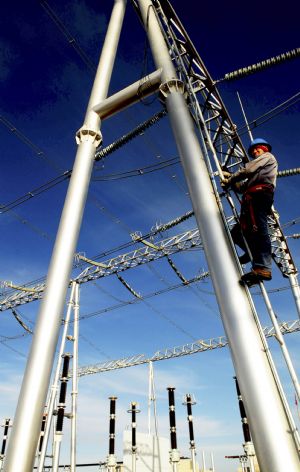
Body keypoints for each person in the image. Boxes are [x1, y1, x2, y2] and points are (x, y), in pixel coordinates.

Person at [222, 138, 278, 284]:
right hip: (251, 198)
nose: (254, 152)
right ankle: (252, 254)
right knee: (237, 233)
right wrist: (230, 178)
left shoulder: (267, 157)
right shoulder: (257, 173)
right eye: (253, 150)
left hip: (259, 195)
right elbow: (241, 188)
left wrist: (231, 179)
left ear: (264, 148)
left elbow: (247, 170)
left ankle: (263, 267)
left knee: (259, 229)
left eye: (257, 149)